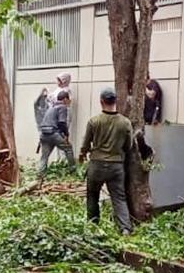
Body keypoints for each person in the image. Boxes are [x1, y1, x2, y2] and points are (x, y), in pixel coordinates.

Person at [78, 87, 133, 234]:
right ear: (116, 101)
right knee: (119, 198)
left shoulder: (94, 121)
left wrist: (82, 155)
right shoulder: (125, 122)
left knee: (92, 196)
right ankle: (125, 229)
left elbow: (85, 144)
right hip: (116, 166)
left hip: (96, 165)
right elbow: (129, 145)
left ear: (101, 101)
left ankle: (93, 227)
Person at [37, 89, 75, 178]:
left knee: (44, 156)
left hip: (44, 134)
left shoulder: (51, 107)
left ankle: (40, 175)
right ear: (65, 99)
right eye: (68, 99)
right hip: (54, 134)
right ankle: (72, 171)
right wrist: (66, 135)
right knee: (68, 148)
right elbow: (62, 123)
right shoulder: (62, 107)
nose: (69, 102)